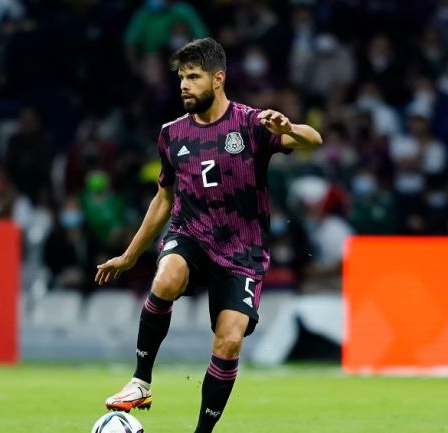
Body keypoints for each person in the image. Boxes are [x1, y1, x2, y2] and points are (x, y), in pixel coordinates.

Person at [95, 38, 321, 433]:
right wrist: (131, 255)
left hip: (242, 252)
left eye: (193, 77)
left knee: (229, 341)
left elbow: (313, 141)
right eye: (182, 77)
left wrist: (290, 128)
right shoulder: (172, 134)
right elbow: (164, 199)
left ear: (218, 79)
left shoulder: (251, 124)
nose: (184, 85)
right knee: (166, 277)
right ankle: (140, 381)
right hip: (191, 234)